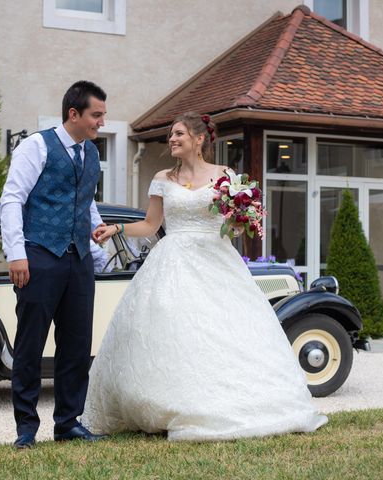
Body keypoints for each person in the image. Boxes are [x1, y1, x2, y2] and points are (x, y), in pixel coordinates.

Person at [82, 112, 327, 441]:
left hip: (216, 260)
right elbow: (151, 226)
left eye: (179, 133)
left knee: (223, 331)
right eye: (170, 134)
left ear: (199, 140)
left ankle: (232, 402)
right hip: (173, 261)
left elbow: (236, 227)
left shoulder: (224, 175)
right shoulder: (162, 178)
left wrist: (243, 220)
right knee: (174, 331)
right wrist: (116, 228)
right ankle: (169, 404)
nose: (172, 139)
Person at [0, 80, 108, 449]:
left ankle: (68, 422)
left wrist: (96, 239)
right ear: (73, 114)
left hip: (78, 258)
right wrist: (16, 253)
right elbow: (12, 199)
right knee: (30, 344)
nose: (101, 123)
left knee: (76, 345)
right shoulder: (36, 146)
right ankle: (26, 429)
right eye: (96, 115)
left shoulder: (91, 153)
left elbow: (86, 201)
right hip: (39, 255)